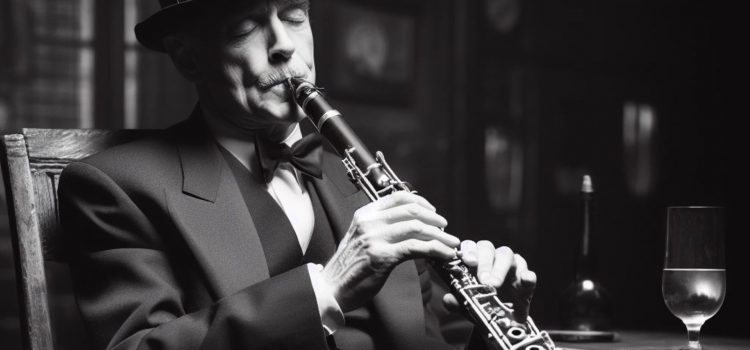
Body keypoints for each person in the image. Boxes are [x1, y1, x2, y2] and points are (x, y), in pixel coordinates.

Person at [58, 0, 538, 349]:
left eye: (293, 15)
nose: (284, 46)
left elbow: (435, 341)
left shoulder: (369, 186)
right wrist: (327, 289)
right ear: (188, 57)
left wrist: (492, 328)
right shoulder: (116, 185)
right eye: (246, 25)